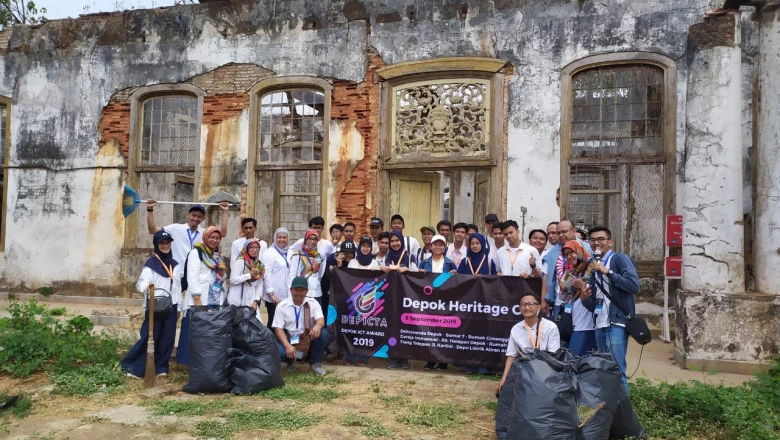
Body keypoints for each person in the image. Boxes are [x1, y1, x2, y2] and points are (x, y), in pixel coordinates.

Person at [581, 226, 639, 393]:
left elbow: (633, 285)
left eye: (601, 239)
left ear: (610, 242)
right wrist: (585, 298)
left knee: (617, 370)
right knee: (604, 370)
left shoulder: (619, 259)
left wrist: (609, 272)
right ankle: (607, 410)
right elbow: (594, 303)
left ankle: (623, 415)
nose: (596, 243)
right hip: (600, 323)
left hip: (617, 323)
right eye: (592, 240)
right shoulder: (594, 266)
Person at [121, 230, 181, 378]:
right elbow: (141, 283)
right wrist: (147, 286)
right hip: (155, 305)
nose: (165, 245)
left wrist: (178, 307)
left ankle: (161, 367)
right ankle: (134, 367)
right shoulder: (151, 264)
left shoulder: (175, 265)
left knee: (167, 338)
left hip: (171, 306)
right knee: (149, 337)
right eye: (162, 243)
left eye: (168, 242)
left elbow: (177, 287)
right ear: (156, 245)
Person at [178, 226, 228, 365]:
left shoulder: (218, 254)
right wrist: (196, 298)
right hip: (199, 299)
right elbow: (192, 276)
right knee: (192, 331)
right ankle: (186, 361)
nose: (214, 240)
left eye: (217, 238)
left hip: (214, 299)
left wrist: (222, 298)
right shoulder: (196, 252)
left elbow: (221, 276)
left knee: (207, 332)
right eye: (211, 237)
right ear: (205, 237)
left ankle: (203, 362)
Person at [496, 292, 560, 395]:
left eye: (531, 304)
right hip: (526, 368)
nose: (527, 307)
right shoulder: (516, 329)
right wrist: (504, 379)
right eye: (523, 304)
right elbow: (511, 356)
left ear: (538, 307)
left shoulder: (550, 327)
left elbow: (554, 356)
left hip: (547, 367)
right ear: (520, 308)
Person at [146, 201, 230, 271]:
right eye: (193, 215)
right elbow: (152, 230)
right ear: (188, 215)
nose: (196, 218)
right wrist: (150, 209)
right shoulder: (175, 228)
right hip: (177, 272)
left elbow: (223, 233)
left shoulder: (204, 233)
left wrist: (225, 212)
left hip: (195, 274)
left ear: (203, 219)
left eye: (199, 217)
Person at [272, 276, 328, 376]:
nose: (298, 293)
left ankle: (315, 363)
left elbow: (321, 320)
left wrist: (317, 326)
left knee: (323, 333)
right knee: (280, 351)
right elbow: (278, 329)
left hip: (307, 338)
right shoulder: (282, 306)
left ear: (307, 291)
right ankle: (292, 360)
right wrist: (287, 345)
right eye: (296, 290)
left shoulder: (313, 303)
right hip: (290, 339)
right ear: (291, 290)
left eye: (302, 290)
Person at [543, 220, 591, 317]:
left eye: (564, 232)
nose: (561, 235)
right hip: (560, 302)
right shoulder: (551, 252)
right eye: (558, 233)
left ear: (574, 230)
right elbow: (546, 277)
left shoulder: (588, 249)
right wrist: (543, 300)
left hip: (583, 301)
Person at [558, 240, 597, 355]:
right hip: (575, 320)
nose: (569, 257)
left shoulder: (593, 267)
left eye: (571, 252)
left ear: (579, 250)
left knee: (578, 356)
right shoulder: (571, 272)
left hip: (588, 322)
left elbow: (597, 290)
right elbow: (564, 296)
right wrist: (562, 289)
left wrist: (581, 285)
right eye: (566, 255)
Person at [288, 230, 326, 307]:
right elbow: (292, 276)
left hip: (316, 292)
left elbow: (321, 274)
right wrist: (291, 295)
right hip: (302, 292)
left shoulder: (320, 256)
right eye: (310, 239)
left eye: (315, 239)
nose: (312, 241)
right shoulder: (298, 255)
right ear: (305, 240)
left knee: (317, 317)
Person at [228, 239, 265, 317]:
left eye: (257, 247)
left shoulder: (260, 264)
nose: (255, 250)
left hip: (251, 302)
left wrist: (256, 300)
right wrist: (249, 275)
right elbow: (233, 280)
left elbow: (260, 285)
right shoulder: (241, 260)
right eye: (251, 247)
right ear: (246, 248)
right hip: (238, 302)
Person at [263, 228, 290, 327]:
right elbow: (267, 274)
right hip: (274, 296)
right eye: (279, 237)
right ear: (275, 238)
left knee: (286, 322)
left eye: (284, 237)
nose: (282, 240)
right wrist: (271, 294)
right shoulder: (269, 252)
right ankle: (271, 342)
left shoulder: (290, 252)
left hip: (288, 294)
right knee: (274, 322)